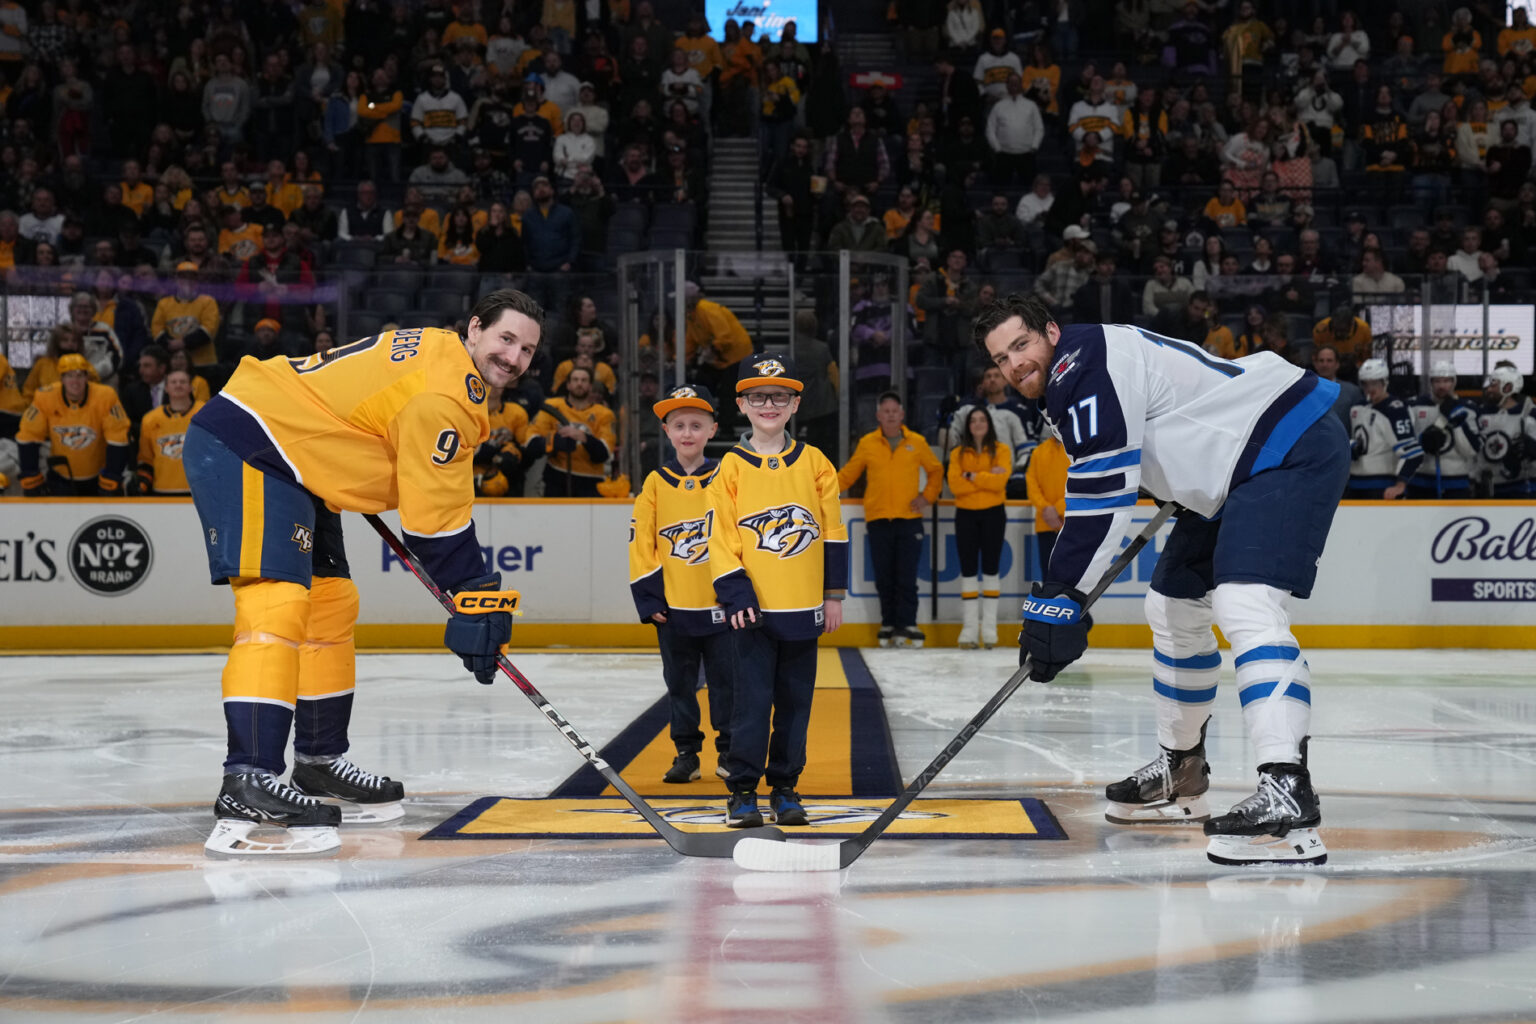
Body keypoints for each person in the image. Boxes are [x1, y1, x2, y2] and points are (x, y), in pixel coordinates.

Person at [975, 292, 1349, 866]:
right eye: (1001, 358)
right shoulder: (1068, 376)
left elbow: (1102, 497)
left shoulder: (1081, 363)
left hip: (1285, 444)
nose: (1014, 363)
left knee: (1246, 603)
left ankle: (1286, 790)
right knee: (1172, 606)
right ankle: (1183, 770)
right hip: (1229, 470)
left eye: (1021, 344)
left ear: (1051, 331)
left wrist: (1060, 600)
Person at [183, 289, 544, 857]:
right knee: (276, 604)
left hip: (300, 458)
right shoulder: (447, 391)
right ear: (474, 328)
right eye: (506, 338)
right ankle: (248, 776)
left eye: (526, 349)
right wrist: (475, 594)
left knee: (331, 603)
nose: (514, 357)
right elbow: (435, 526)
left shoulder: (440, 353)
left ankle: (319, 761)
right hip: (251, 444)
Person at [709, 354, 847, 828]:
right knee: (750, 706)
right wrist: (737, 595)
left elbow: (832, 532)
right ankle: (743, 792)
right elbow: (720, 537)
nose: (769, 404)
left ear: (795, 405)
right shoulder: (729, 467)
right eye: (758, 396)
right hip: (752, 615)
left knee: (795, 705)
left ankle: (785, 787)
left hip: (803, 610)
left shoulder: (816, 464)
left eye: (780, 396)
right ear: (742, 405)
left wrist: (834, 594)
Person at [628, 383, 734, 785]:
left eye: (696, 424)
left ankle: (728, 751)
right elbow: (642, 542)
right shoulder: (656, 482)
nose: (687, 433)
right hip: (673, 608)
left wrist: (737, 593)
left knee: (727, 685)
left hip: (721, 606)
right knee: (680, 685)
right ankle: (686, 754)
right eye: (679, 425)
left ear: (712, 429)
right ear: (667, 432)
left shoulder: (726, 477)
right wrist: (650, 596)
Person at [837, 391, 943, 648]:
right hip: (878, 518)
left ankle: (907, 623)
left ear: (902, 414)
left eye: (895, 411)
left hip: (909, 518)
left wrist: (926, 497)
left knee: (906, 576)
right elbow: (848, 475)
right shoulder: (867, 443)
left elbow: (936, 470)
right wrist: (821, 491)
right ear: (878, 415)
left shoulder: (916, 442)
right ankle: (888, 623)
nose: (891, 415)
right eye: (886, 411)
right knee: (884, 576)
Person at [18, 353, 130, 497]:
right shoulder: (45, 397)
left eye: (79, 375)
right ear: (62, 378)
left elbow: (119, 435)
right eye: (69, 375)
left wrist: (112, 474)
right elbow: (28, 435)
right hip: (60, 477)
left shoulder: (106, 396)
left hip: (98, 477)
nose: (75, 381)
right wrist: (30, 474)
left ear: (86, 377)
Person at [948, 406, 1010, 648]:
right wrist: (986, 476)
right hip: (965, 515)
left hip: (994, 514)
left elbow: (1001, 482)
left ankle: (990, 631)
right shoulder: (957, 454)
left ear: (989, 423)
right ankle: (970, 630)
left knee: (992, 569)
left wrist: (971, 476)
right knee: (969, 570)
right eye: (973, 420)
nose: (977, 424)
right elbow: (955, 485)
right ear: (967, 425)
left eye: (982, 419)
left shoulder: (1002, 450)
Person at [527, 365, 617, 497]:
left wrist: (584, 437)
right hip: (557, 477)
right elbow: (531, 443)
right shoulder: (552, 407)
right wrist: (555, 440)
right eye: (575, 380)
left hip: (590, 481)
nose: (579, 383)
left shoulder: (604, 414)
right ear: (568, 385)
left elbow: (604, 453)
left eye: (584, 380)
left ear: (590, 386)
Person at [1346, 359, 1423, 500]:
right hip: (1353, 485)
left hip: (1381, 487)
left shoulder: (1395, 410)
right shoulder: (1357, 408)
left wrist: (1401, 485)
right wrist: (1351, 447)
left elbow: (1414, 454)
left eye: (1375, 383)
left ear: (1385, 382)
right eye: (1366, 383)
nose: (1370, 388)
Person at [1408, 361, 1481, 498]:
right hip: (1419, 480)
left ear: (1454, 382)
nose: (1442, 386)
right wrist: (1422, 440)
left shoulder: (1468, 409)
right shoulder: (1414, 406)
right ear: (1431, 383)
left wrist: (1458, 423)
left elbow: (1471, 451)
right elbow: (1405, 442)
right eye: (1437, 381)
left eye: (1446, 381)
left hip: (1456, 481)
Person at [128, 367, 203, 496]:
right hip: (162, 491)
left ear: (191, 387)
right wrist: (142, 482)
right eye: (173, 382)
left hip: (199, 492)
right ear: (166, 388)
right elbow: (146, 459)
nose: (178, 385)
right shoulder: (150, 419)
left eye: (183, 382)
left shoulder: (205, 413)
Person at [1475, 366, 1535, 497]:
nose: (1489, 389)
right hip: (1489, 487)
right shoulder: (1480, 413)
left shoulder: (1529, 414)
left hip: (1521, 487)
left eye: (1493, 385)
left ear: (1507, 388)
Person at [1025, 419, 1068, 576]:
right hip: (1045, 524)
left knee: (1072, 573)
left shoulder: (1078, 451)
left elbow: (1083, 484)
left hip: (1072, 522)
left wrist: (1057, 509)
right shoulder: (1039, 452)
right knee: (1048, 572)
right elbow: (1031, 484)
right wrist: (1046, 508)